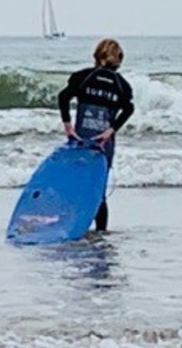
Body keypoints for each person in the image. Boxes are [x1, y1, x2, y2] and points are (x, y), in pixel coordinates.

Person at [57, 38, 134, 232]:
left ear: (96, 56)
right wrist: (110, 130)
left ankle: (71, 227)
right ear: (118, 60)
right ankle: (100, 234)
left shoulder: (83, 77)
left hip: (80, 140)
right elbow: (128, 109)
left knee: (75, 185)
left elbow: (63, 97)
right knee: (98, 192)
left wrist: (67, 126)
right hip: (103, 145)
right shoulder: (121, 85)